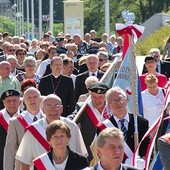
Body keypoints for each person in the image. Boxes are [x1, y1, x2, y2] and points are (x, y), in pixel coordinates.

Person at [16, 94, 87, 169]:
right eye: (49, 106)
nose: (53, 110)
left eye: (56, 106)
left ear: (62, 109)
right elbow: (25, 162)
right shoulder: (32, 130)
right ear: (43, 110)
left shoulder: (72, 126)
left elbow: (81, 156)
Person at [97, 87, 149, 165]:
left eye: (120, 99)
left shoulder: (141, 122)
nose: (118, 103)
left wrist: (143, 160)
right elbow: (102, 153)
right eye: (115, 100)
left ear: (126, 101)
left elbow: (146, 146)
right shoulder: (103, 128)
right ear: (109, 105)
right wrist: (127, 162)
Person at [4, 87, 44, 170]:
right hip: (23, 166)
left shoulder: (48, 119)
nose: (32, 100)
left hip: (44, 165)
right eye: (29, 98)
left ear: (40, 100)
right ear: (24, 102)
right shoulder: (15, 122)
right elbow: (10, 150)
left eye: (35, 97)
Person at [72, 82, 110, 162]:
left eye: (100, 97)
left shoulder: (111, 109)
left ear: (105, 97)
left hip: (108, 151)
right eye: (94, 97)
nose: (97, 100)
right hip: (89, 153)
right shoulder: (82, 108)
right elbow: (73, 118)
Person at [0, 90, 21, 170]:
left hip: (21, 159)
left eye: (14, 100)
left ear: (19, 102)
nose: (12, 103)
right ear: (4, 103)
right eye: (8, 101)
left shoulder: (25, 118)